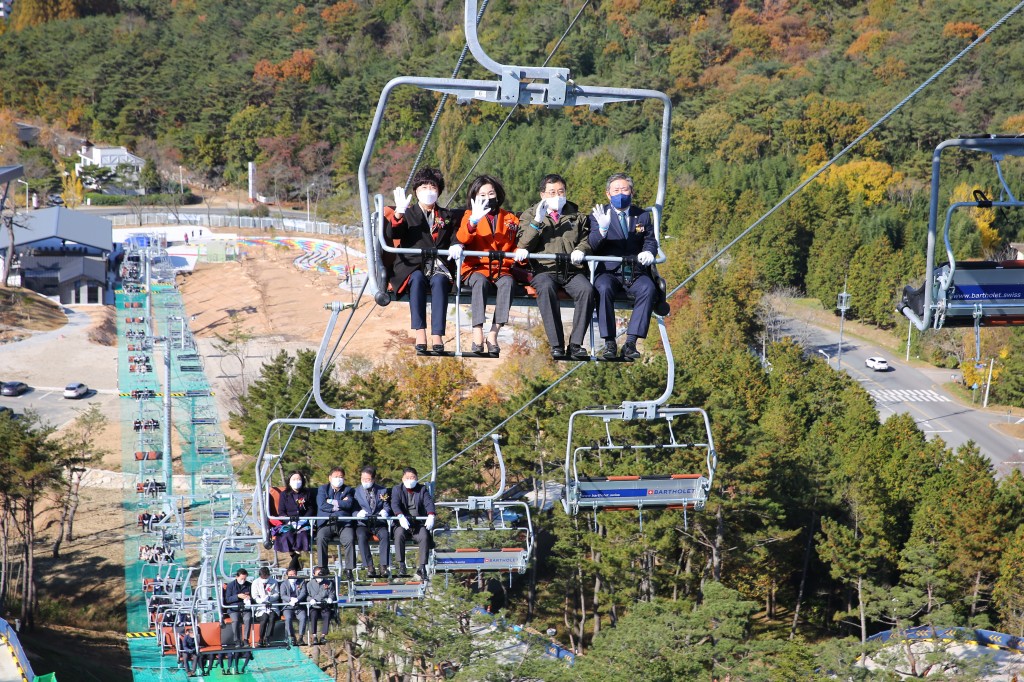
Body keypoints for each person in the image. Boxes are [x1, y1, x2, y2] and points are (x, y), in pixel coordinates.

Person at [383, 168, 465, 354]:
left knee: (440, 280)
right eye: (424, 187)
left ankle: (437, 333)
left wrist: (457, 245)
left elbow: (454, 237)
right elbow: (394, 233)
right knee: (417, 279)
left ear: (438, 191)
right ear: (416, 191)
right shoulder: (408, 213)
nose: (429, 191)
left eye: (432, 187)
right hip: (412, 265)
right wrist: (398, 214)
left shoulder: (446, 216)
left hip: (437, 265)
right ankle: (420, 331)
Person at [516, 174, 593, 360]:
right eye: (552, 192)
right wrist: (537, 221)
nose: (557, 196)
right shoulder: (530, 215)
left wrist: (581, 249)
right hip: (544, 269)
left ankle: (575, 344)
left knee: (587, 290)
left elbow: (586, 239)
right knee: (545, 288)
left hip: (571, 270)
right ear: (543, 194)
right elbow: (523, 244)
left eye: (561, 192)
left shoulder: (577, 216)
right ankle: (556, 344)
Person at [589, 173, 659, 360]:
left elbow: (650, 240)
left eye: (624, 190)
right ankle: (609, 341)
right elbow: (592, 245)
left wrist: (648, 252)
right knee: (602, 288)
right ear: (608, 194)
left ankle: (631, 341)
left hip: (633, 269)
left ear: (632, 192)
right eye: (616, 190)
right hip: (609, 270)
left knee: (648, 288)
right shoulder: (599, 215)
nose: (620, 194)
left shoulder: (642, 215)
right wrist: (602, 230)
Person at [453, 175, 519, 356]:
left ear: (497, 195)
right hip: (476, 267)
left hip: (500, 268)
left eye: (491, 194)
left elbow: (514, 245)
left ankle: (493, 333)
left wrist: (520, 252)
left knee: (508, 283)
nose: (487, 198)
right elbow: (462, 238)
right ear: (474, 197)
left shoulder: (510, 218)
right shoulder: (469, 216)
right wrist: (473, 223)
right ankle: (477, 332)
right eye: (482, 195)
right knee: (480, 282)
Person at [390, 467, 435, 580]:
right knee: (399, 534)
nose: (410, 480)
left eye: (412, 477)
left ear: (417, 478)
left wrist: (431, 515)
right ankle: (401, 565)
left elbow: (429, 503)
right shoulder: (397, 489)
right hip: (402, 523)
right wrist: (400, 516)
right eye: (407, 478)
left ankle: (422, 567)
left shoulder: (422, 489)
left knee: (424, 536)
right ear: (402, 478)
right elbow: (395, 504)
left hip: (417, 524)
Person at [314, 467, 357, 580]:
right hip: (327, 522)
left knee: (349, 539)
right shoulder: (323, 489)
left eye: (341, 477)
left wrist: (331, 502)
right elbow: (322, 505)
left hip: (343, 522)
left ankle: (349, 569)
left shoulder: (348, 490)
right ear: (330, 478)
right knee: (321, 537)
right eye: (336, 477)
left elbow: (349, 504)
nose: (338, 479)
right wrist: (340, 504)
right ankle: (323, 567)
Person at [353, 466, 391, 578]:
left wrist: (385, 511)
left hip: (378, 522)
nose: (365, 481)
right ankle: (369, 566)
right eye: (363, 479)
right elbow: (352, 509)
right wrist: (357, 514)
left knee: (385, 535)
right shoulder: (356, 492)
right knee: (361, 536)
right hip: (363, 523)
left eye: (368, 479)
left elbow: (386, 505)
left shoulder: (382, 490)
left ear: (373, 479)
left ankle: (383, 566)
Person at [274, 471, 313, 558]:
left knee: (302, 535)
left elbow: (310, 508)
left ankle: (296, 556)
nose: (296, 481)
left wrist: (304, 519)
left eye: (299, 479)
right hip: (289, 522)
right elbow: (281, 511)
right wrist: (287, 520)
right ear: (289, 481)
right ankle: (293, 557)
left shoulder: (306, 493)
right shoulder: (284, 494)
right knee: (287, 535)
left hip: (303, 523)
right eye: (294, 479)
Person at [305, 567, 336, 646]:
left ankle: (323, 635)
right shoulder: (309, 584)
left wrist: (330, 598)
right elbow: (307, 595)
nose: (320, 575)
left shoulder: (328, 583)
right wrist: (311, 599)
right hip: (314, 606)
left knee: (327, 614)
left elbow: (331, 593)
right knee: (313, 615)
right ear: (314, 574)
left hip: (324, 605)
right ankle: (314, 635)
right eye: (318, 574)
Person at [251, 566, 281, 647]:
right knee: (264, 618)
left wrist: (269, 598)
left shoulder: (274, 582)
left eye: (266, 577)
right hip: (261, 607)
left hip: (272, 605)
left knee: (272, 617)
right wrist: (260, 600)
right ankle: (261, 638)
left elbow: (277, 595)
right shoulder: (255, 582)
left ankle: (268, 637)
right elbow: (254, 595)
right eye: (263, 577)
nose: (264, 579)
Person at [278, 566, 307, 646]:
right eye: (290, 575)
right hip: (288, 607)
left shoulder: (301, 582)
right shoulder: (284, 584)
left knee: (303, 617)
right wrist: (290, 599)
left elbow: (303, 593)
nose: (292, 576)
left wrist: (297, 599)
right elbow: (283, 595)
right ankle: (291, 636)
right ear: (287, 575)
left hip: (299, 606)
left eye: (294, 574)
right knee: (288, 618)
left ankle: (301, 637)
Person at [223, 568, 253, 647]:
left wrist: (249, 598)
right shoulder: (230, 586)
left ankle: (246, 639)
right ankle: (237, 640)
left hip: (246, 608)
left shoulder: (249, 585)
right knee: (235, 620)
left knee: (248, 619)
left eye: (245, 579)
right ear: (237, 577)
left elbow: (253, 597)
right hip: (234, 608)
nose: (243, 580)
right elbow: (227, 599)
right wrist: (237, 596)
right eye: (241, 578)